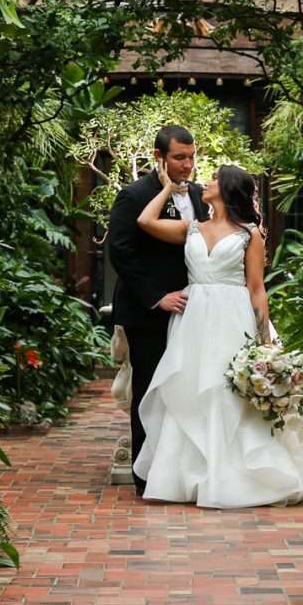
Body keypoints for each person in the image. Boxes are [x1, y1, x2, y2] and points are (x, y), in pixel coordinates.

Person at [131, 161, 303, 508]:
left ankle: (232, 479)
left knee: (225, 392)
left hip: (233, 318)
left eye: (215, 178)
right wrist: (166, 188)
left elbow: (256, 288)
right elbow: (145, 221)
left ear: (229, 187)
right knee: (189, 390)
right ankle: (187, 479)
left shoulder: (250, 233)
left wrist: (265, 342)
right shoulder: (190, 228)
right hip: (194, 320)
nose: (206, 180)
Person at [107, 125, 207, 495]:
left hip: (191, 314)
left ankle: (179, 472)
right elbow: (120, 251)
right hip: (148, 312)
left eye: (192, 157)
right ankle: (145, 478)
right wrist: (157, 296)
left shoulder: (199, 195)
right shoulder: (134, 195)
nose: (187, 165)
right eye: (180, 157)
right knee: (150, 393)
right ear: (159, 158)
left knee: (184, 391)